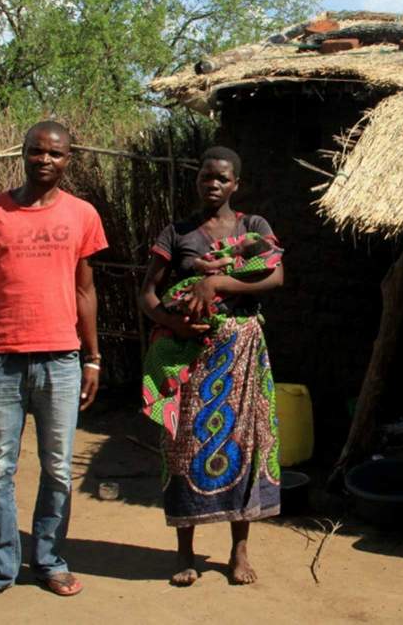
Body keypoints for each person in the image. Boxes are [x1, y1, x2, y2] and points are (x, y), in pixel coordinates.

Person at [0, 121, 108, 606]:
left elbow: (85, 290)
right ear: (23, 154)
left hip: (61, 361)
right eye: (36, 151)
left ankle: (49, 561)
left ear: (70, 159)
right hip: (3, 361)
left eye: (55, 153)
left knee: (57, 469)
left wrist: (92, 358)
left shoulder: (83, 215)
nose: (45, 160)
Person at [138, 146, 284, 586]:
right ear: (197, 180)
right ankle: (185, 554)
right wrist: (172, 326)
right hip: (190, 356)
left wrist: (216, 280)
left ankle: (239, 552)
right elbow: (147, 292)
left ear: (235, 184)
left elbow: (276, 276)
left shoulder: (252, 227)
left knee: (243, 443)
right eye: (207, 176)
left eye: (222, 178)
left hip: (241, 352)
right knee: (184, 448)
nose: (213, 184)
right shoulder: (176, 233)